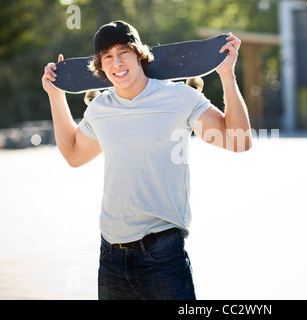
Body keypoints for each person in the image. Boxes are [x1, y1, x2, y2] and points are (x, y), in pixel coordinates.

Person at [41, 20, 252, 300]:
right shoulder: (101, 109)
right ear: (100, 67)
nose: (117, 62)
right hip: (111, 256)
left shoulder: (179, 97)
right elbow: (74, 155)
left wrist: (227, 76)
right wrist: (56, 96)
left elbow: (238, 140)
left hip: (163, 256)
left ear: (139, 55)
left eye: (123, 52)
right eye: (107, 57)